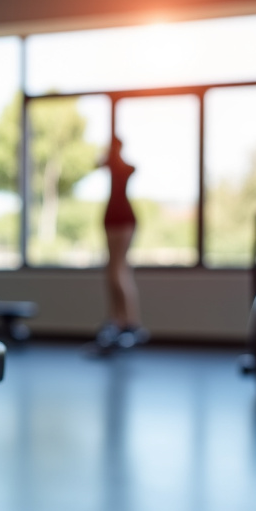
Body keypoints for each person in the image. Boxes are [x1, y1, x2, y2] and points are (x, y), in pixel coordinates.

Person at [96, 135, 148, 350]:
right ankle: (117, 319)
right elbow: (96, 163)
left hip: (124, 219)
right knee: (112, 271)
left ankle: (131, 322)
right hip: (110, 218)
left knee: (119, 270)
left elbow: (132, 168)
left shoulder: (125, 167)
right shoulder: (108, 164)